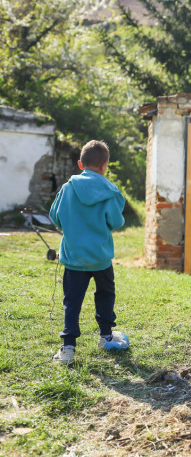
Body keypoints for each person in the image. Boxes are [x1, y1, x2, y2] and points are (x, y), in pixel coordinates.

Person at [49, 140, 129, 366]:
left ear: (80, 164)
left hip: (74, 257)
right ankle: (106, 337)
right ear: (105, 165)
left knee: (72, 301)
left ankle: (68, 348)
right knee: (105, 295)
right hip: (101, 257)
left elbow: (55, 217)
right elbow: (116, 222)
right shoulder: (111, 191)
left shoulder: (67, 188)